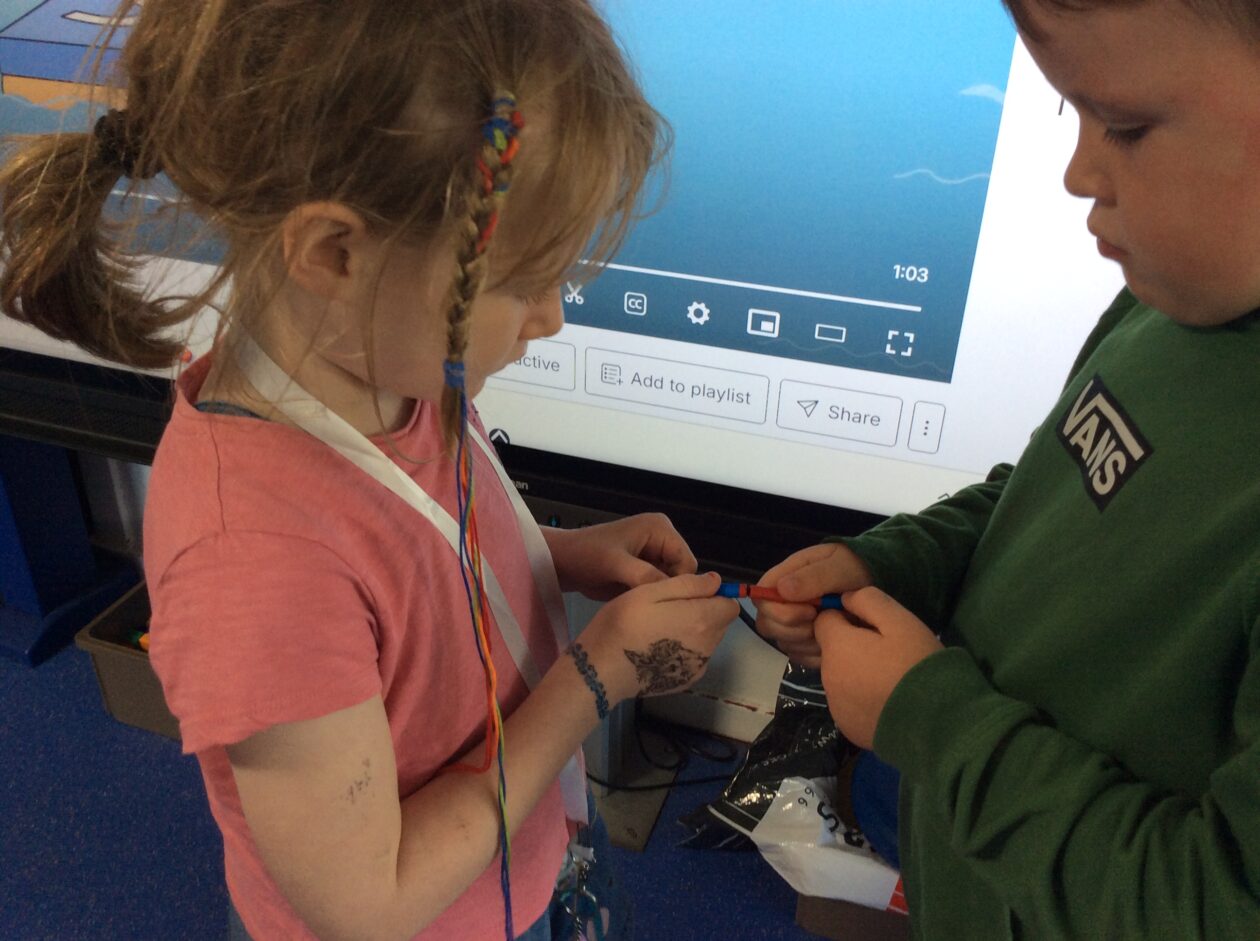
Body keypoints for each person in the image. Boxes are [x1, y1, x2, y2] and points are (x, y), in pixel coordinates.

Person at [0, 2, 738, 939]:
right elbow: (369, 902)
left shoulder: (391, 379)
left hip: (518, 852)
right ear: (335, 254)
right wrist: (593, 679)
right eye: (520, 281)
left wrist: (557, 554)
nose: (552, 316)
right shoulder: (253, 563)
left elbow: (408, 563)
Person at [754, 1, 1260, 938]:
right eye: (1074, 114)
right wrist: (893, 562)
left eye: (1126, 126)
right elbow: (1041, 491)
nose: (1078, 173)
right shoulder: (1171, 302)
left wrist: (926, 717)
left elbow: (1216, 906)